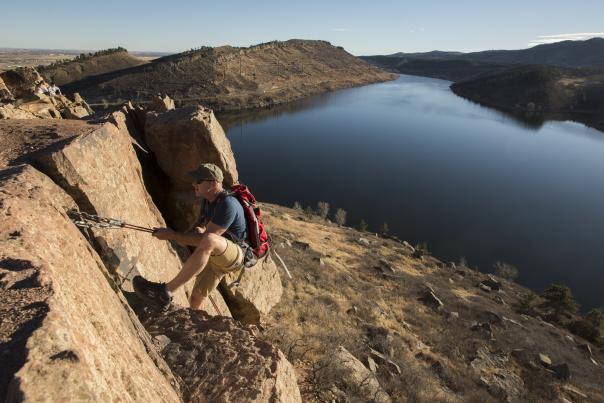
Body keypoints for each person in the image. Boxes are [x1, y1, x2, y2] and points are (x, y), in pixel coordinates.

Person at [133, 163, 247, 310]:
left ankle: (164, 293)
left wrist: (172, 235)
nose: (194, 184)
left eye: (198, 181)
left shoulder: (228, 204)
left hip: (235, 256)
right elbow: (191, 234)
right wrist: (178, 235)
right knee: (195, 298)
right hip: (217, 258)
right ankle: (197, 323)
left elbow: (206, 239)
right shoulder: (208, 202)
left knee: (209, 239)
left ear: (212, 184)